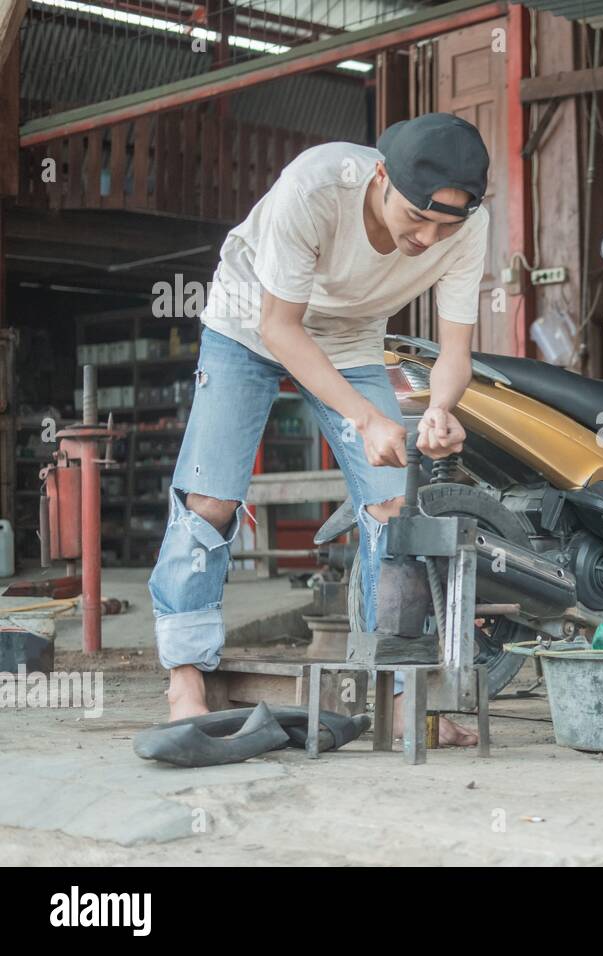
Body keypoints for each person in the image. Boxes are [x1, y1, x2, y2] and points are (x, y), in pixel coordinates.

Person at [149, 113, 490, 745]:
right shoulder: (314, 186)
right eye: (417, 217)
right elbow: (281, 328)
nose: (427, 237)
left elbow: (455, 352)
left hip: (353, 339)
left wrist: (441, 408)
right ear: (381, 176)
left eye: (445, 225)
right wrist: (365, 416)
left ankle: (391, 686)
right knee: (211, 499)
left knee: (393, 505)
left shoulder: (465, 228)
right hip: (249, 322)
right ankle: (186, 675)